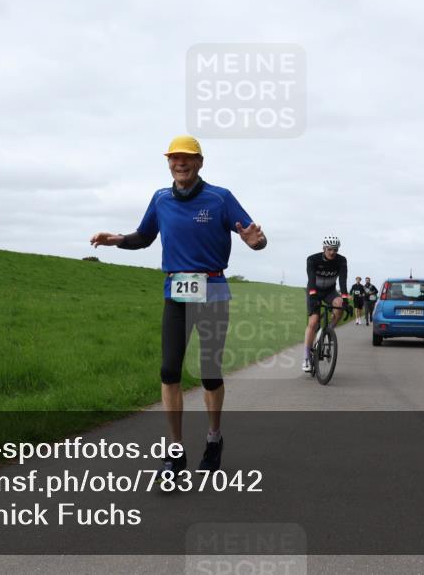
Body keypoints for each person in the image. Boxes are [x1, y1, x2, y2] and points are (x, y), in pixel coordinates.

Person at [90, 135, 266, 476]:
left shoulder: (221, 198)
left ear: (200, 162)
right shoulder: (160, 198)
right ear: (168, 163)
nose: (180, 163)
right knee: (169, 371)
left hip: (213, 291)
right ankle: (175, 452)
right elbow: (144, 237)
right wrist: (118, 240)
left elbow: (254, 236)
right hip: (176, 293)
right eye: (174, 158)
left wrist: (256, 242)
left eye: (187, 158)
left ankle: (213, 438)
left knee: (209, 373)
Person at [303, 237, 350, 373]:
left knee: (340, 304)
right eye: (329, 249)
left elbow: (343, 281)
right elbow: (311, 279)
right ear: (324, 249)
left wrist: (346, 299)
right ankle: (306, 357)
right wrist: (313, 296)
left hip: (330, 292)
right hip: (314, 291)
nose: (332, 252)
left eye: (335, 250)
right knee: (313, 322)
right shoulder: (313, 259)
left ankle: (328, 330)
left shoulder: (341, 260)